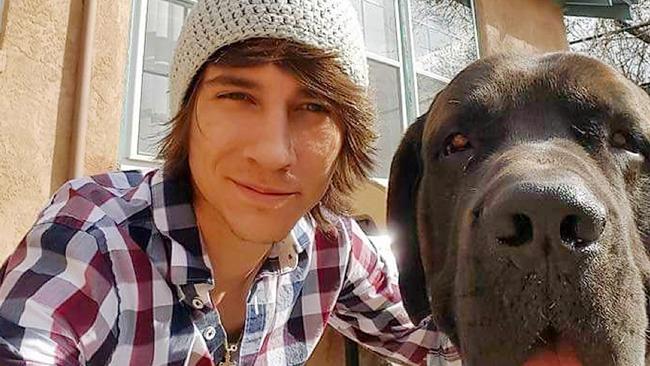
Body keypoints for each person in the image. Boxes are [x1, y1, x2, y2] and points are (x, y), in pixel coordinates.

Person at [0, 0, 460, 365]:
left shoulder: (331, 247)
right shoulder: (91, 244)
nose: (273, 152)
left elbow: (443, 340)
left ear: (346, 138)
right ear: (187, 109)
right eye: (238, 96)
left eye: (314, 107)